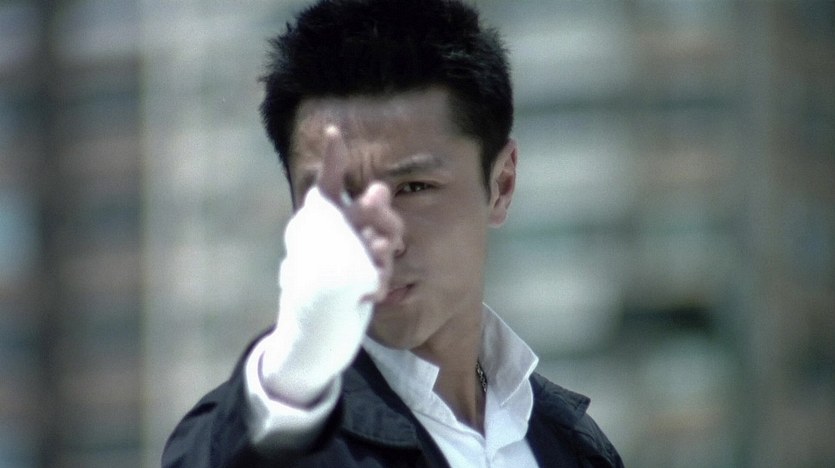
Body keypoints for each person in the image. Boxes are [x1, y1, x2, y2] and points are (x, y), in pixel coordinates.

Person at [162, 0, 624, 466]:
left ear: (501, 185)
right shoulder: (264, 429)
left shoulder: (572, 445)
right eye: (336, 198)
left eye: (414, 188)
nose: (380, 239)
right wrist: (297, 367)